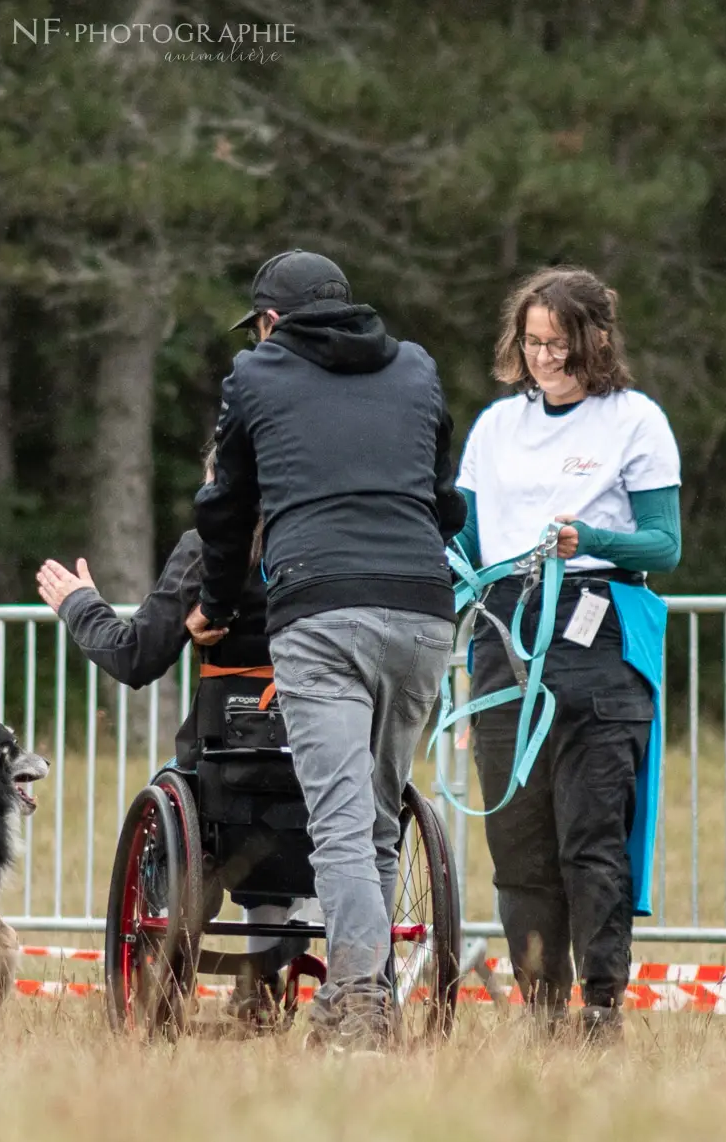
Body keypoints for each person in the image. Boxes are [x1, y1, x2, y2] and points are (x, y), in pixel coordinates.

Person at [194, 249, 464, 1050]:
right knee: (376, 822)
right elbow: (442, 496)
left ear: (271, 320)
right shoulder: (415, 368)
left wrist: (213, 606)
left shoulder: (255, 374)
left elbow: (225, 509)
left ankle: (358, 998)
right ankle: (363, 995)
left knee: (340, 828)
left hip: (320, 612)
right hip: (422, 613)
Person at [453, 265, 681, 1041]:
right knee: (518, 841)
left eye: (560, 344)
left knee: (591, 835)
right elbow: (469, 541)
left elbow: (666, 542)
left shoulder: (635, 421)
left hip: (598, 629)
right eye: (534, 342)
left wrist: (595, 538)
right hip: (506, 633)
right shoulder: (494, 428)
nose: (545, 358)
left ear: (596, 341)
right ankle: (541, 1010)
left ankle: (602, 1006)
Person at [35, 449, 308, 1025]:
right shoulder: (324, 547)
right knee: (282, 804)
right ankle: (262, 980)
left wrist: (80, 606)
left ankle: (167, 946)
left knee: (178, 792)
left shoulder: (208, 552)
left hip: (225, 766)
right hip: (316, 763)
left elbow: (135, 657)